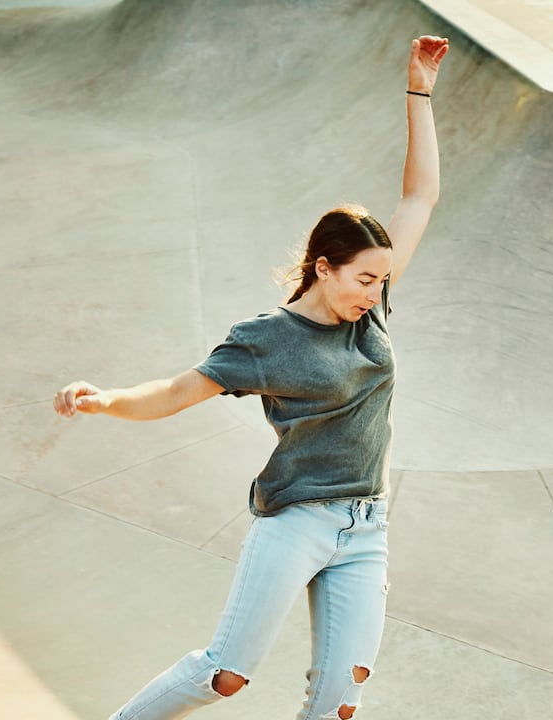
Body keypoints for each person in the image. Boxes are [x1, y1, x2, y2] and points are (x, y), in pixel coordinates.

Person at [53, 34, 450, 720]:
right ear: (323, 266)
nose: (373, 293)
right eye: (361, 278)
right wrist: (105, 399)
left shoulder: (370, 309)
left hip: (367, 525)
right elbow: (178, 391)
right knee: (226, 675)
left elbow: (421, 195)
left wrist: (418, 91)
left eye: (380, 280)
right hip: (296, 518)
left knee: (339, 701)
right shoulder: (264, 341)